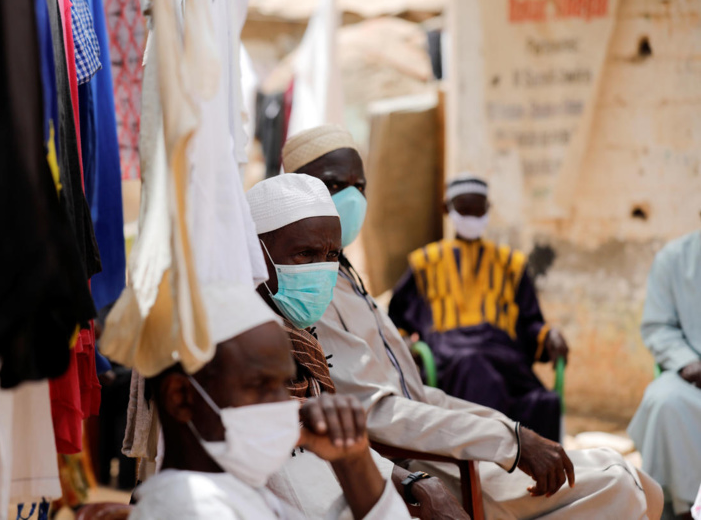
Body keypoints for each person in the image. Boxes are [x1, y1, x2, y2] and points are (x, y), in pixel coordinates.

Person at [282, 124, 664, 519]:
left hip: (476, 403)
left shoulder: (506, 263)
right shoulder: (323, 287)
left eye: (358, 185)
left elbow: (421, 389)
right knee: (622, 486)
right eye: (333, 184)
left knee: (637, 479)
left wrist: (510, 430)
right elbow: (380, 409)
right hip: (428, 454)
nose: (350, 197)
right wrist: (507, 440)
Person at [247, 173, 469, 519]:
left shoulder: (303, 342)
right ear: (254, 254)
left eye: (331, 254)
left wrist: (413, 481)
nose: (321, 269)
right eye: (304, 254)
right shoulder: (235, 348)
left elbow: (337, 447)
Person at [131, 281, 410, 519]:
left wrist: (352, 460)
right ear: (180, 398)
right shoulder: (193, 508)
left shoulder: (240, 491)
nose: (286, 403)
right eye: (261, 385)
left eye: (284, 383)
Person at [388, 172, 567, 441]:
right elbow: (395, 319)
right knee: (474, 366)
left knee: (541, 401)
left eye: (478, 209)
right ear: (446, 209)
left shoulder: (511, 264)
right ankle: (494, 457)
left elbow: (531, 321)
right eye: (464, 209)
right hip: (450, 357)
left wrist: (548, 335)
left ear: (488, 210)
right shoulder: (425, 263)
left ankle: (532, 465)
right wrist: (407, 345)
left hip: (506, 356)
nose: (471, 216)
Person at [628, 230, 701, 519]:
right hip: (695, 376)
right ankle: (686, 509)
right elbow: (658, 326)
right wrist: (686, 361)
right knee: (664, 400)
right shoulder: (674, 259)